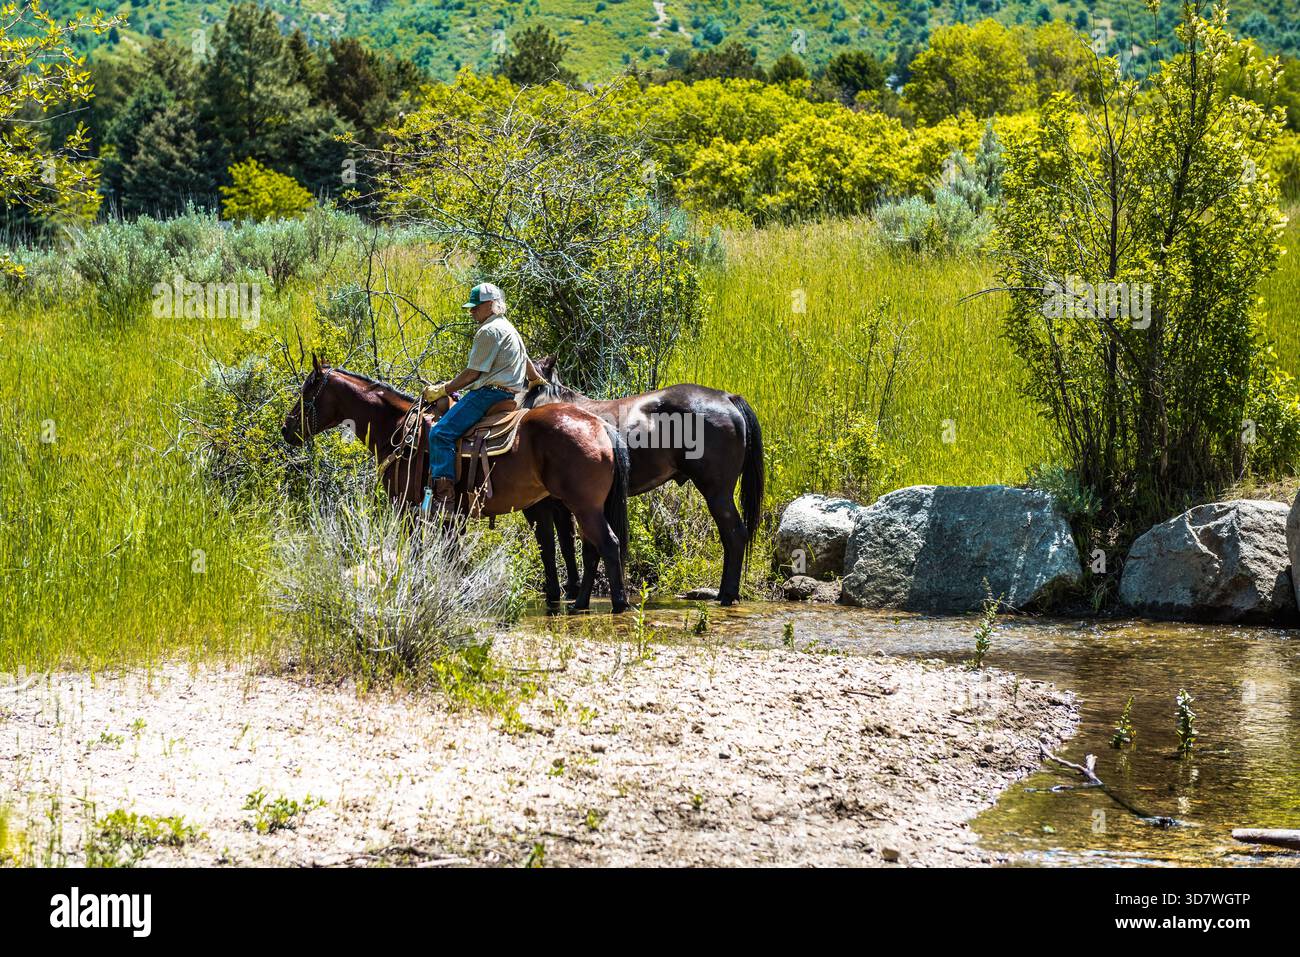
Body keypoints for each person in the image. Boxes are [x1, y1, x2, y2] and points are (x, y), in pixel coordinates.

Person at [421, 282, 545, 511]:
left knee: (440, 433)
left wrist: (442, 390)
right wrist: (536, 379)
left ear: (490, 305)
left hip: (488, 394)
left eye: (476, 307)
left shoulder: (488, 330)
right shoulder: (509, 328)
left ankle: (444, 498)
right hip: (510, 395)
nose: (471, 311)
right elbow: (526, 361)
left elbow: (472, 374)